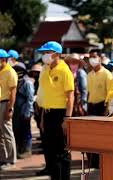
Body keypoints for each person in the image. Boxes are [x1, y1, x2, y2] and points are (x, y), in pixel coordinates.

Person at [37, 41, 74, 180]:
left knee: (62, 151)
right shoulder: (45, 68)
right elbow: (44, 95)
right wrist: (42, 118)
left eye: (47, 52)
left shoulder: (65, 70)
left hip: (60, 114)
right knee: (50, 150)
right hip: (47, 113)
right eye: (44, 53)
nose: (45, 55)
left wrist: (67, 118)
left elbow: (70, 96)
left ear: (57, 54)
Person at [87, 50, 113, 169]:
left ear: (100, 59)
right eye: (90, 57)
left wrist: (106, 110)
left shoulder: (107, 74)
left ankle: (101, 161)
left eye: (95, 57)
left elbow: (110, 93)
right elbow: (88, 93)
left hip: (101, 106)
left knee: (101, 135)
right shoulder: (90, 74)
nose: (92, 59)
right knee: (91, 135)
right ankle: (93, 161)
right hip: (91, 106)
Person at [12, 64, 35, 159]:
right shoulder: (15, 82)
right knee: (17, 130)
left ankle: (27, 150)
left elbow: (30, 99)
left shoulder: (27, 83)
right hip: (17, 111)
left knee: (26, 131)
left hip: (25, 110)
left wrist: (28, 112)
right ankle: (20, 149)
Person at [0, 49, 17, 170]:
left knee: (7, 132)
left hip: (5, 104)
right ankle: (3, 158)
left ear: (3, 60)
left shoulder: (10, 72)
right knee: (1, 134)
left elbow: (13, 92)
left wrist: (9, 109)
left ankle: (11, 160)